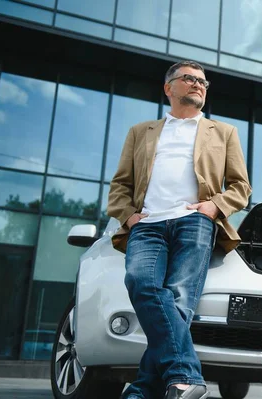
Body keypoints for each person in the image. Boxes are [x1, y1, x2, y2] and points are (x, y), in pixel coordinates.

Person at [107, 60, 251, 399]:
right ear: (169, 88)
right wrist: (128, 216)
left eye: (203, 81)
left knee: (180, 301)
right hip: (148, 224)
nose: (198, 84)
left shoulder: (224, 132)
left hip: (195, 221)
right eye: (189, 79)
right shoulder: (141, 132)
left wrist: (213, 208)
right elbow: (120, 185)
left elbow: (240, 186)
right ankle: (183, 376)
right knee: (141, 283)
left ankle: (146, 389)